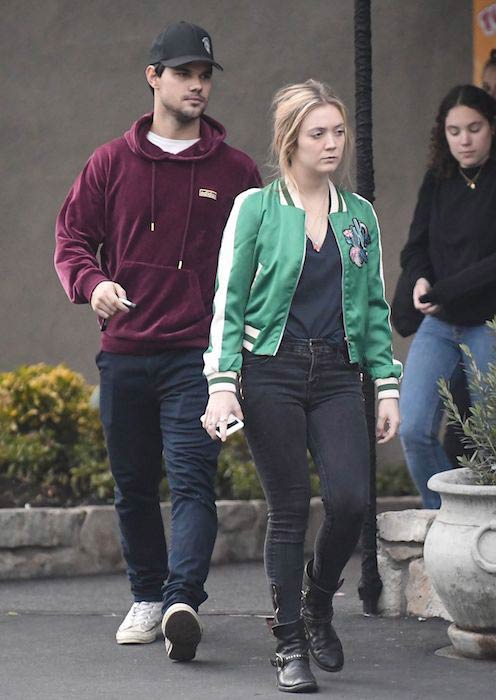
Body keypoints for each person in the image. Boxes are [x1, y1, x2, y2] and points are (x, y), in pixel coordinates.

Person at [54, 20, 261, 661]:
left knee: (195, 482)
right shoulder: (109, 163)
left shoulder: (236, 171)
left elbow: (256, 264)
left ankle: (179, 601)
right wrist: (92, 285)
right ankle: (148, 596)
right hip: (124, 355)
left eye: (204, 75)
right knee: (134, 487)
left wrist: (241, 347)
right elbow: (72, 241)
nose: (197, 84)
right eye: (184, 74)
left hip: (197, 360)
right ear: (154, 78)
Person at [202, 80, 401, 693]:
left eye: (338, 131)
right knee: (288, 508)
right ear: (291, 140)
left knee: (349, 501)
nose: (333, 143)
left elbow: (373, 306)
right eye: (319, 133)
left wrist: (387, 386)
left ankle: (317, 601)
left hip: (340, 375)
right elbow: (228, 302)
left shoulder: (359, 215)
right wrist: (222, 383)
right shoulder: (256, 208)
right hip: (271, 372)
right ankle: (289, 641)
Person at [399, 85, 496, 509]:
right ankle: (446, 523)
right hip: (439, 321)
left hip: (488, 322)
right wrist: (420, 279)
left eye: (474, 128)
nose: (465, 140)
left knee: (488, 436)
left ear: (491, 127)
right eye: (454, 130)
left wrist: (443, 290)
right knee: (413, 429)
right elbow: (415, 246)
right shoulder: (438, 179)